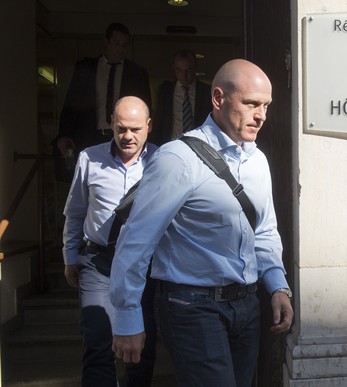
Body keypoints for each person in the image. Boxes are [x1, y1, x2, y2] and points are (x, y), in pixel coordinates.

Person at [109, 59, 294, 387]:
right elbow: (136, 241)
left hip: (247, 305)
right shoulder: (177, 159)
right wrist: (127, 317)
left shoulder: (257, 160)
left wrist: (277, 285)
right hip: (190, 307)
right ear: (218, 98)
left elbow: (263, 229)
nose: (261, 115)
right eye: (251, 103)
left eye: (265, 105)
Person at [62, 96, 158, 387]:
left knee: (143, 347)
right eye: (121, 128)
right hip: (98, 262)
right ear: (111, 125)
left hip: (145, 266)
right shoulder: (89, 158)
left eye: (135, 129)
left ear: (149, 127)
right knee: (97, 338)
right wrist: (69, 257)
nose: (127, 136)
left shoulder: (164, 161)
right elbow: (76, 212)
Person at [53, 22, 151, 181]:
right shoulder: (86, 68)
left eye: (124, 45)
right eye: (116, 43)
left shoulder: (136, 73)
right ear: (106, 42)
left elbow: (145, 108)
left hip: (122, 136)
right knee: (87, 182)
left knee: (122, 180)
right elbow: (71, 103)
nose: (120, 49)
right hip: (90, 135)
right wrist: (64, 134)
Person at [149, 49, 212, 146]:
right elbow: (159, 122)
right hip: (170, 144)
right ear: (173, 68)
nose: (184, 75)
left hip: (199, 146)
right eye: (179, 70)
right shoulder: (165, 90)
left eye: (188, 70)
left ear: (195, 68)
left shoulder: (207, 92)